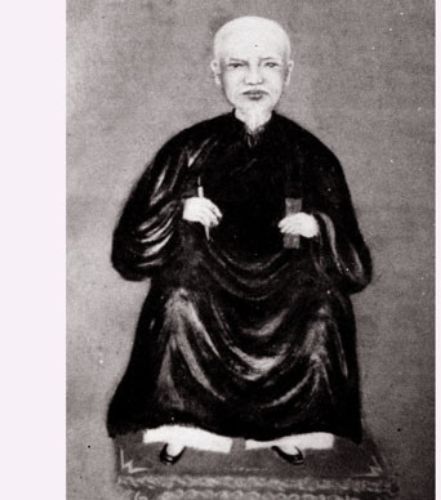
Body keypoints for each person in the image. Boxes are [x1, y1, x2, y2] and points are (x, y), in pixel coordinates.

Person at [107, 16, 372, 466]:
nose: (254, 79)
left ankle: (288, 429)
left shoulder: (313, 155)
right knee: (177, 301)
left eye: (268, 65)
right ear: (217, 74)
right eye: (238, 65)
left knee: (322, 309)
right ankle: (183, 425)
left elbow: (357, 267)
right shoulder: (188, 148)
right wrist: (178, 212)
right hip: (207, 279)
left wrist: (319, 227)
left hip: (286, 283)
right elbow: (130, 251)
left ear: (288, 73)